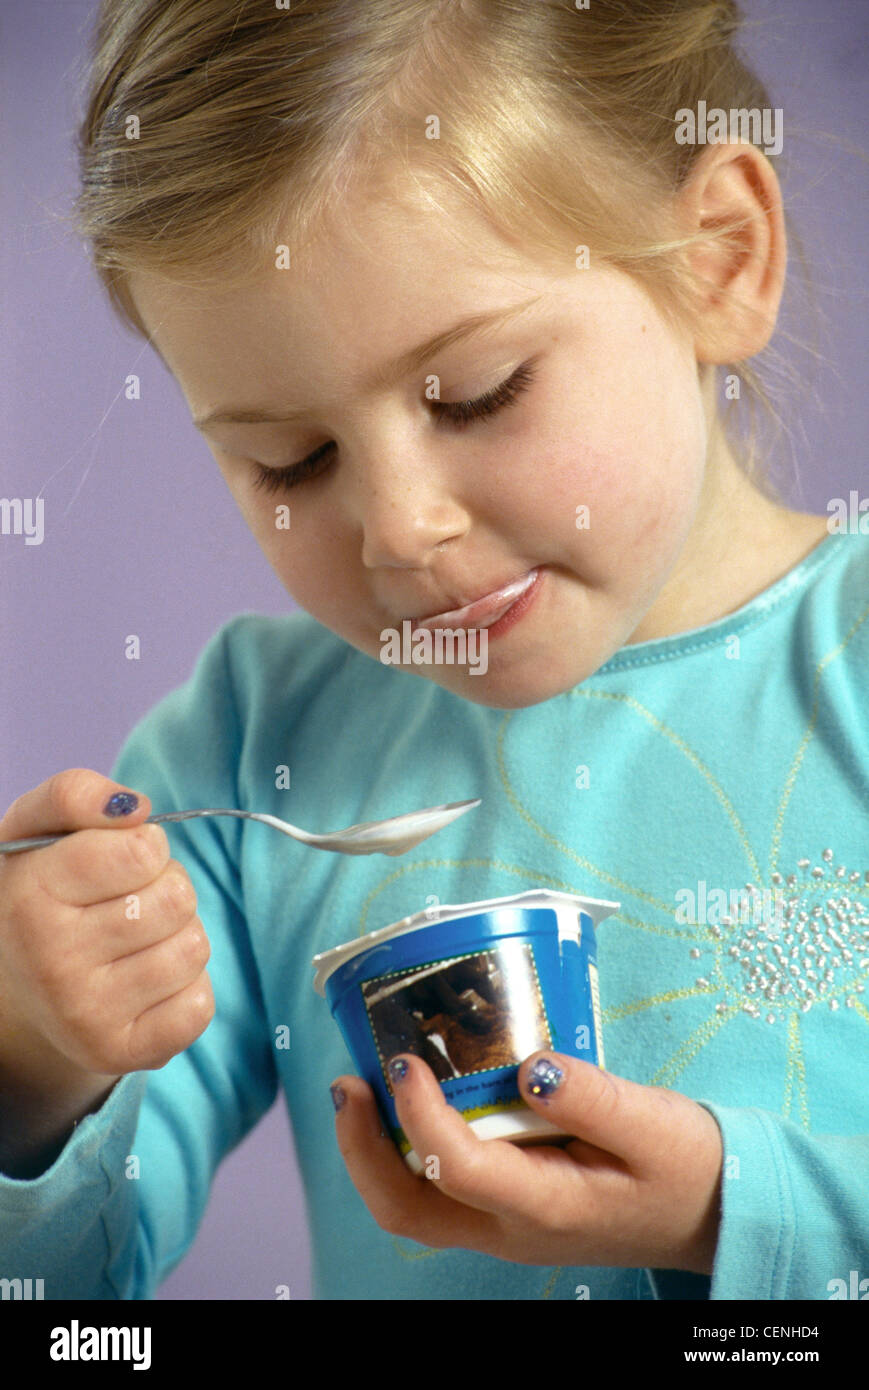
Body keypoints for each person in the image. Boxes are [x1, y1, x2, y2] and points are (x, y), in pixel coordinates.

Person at [1, 0, 866, 1301]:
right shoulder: (253, 749)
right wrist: (33, 1059)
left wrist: (729, 1215)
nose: (399, 530)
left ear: (718, 258)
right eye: (291, 458)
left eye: (476, 392)